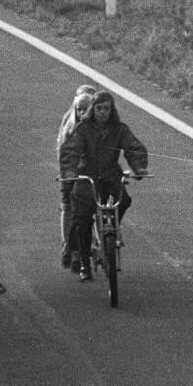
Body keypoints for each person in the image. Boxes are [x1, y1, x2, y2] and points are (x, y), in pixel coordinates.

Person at [59, 90, 149, 281]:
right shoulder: (82, 129)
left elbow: (133, 147)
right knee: (82, 218)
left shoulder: (119, 129)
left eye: (106, 109)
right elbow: (70, 151)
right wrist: (69, 172)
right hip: (87, 177)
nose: (103, 112)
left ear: (112, 110)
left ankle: (111, 228)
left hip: (110, 175)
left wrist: (139, 167)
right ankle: (84, 263)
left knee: (124, 200)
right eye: (99, 108)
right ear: (93, 109)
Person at [56, 85, 98, 270]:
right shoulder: (69, 124)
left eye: (86, 108)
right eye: (79, 108)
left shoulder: (101, 123)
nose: (82, 112)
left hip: (92, 171)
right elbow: (64, 152)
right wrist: (68, 174)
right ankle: (70, 248)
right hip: (71, 171)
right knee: (70, 205)